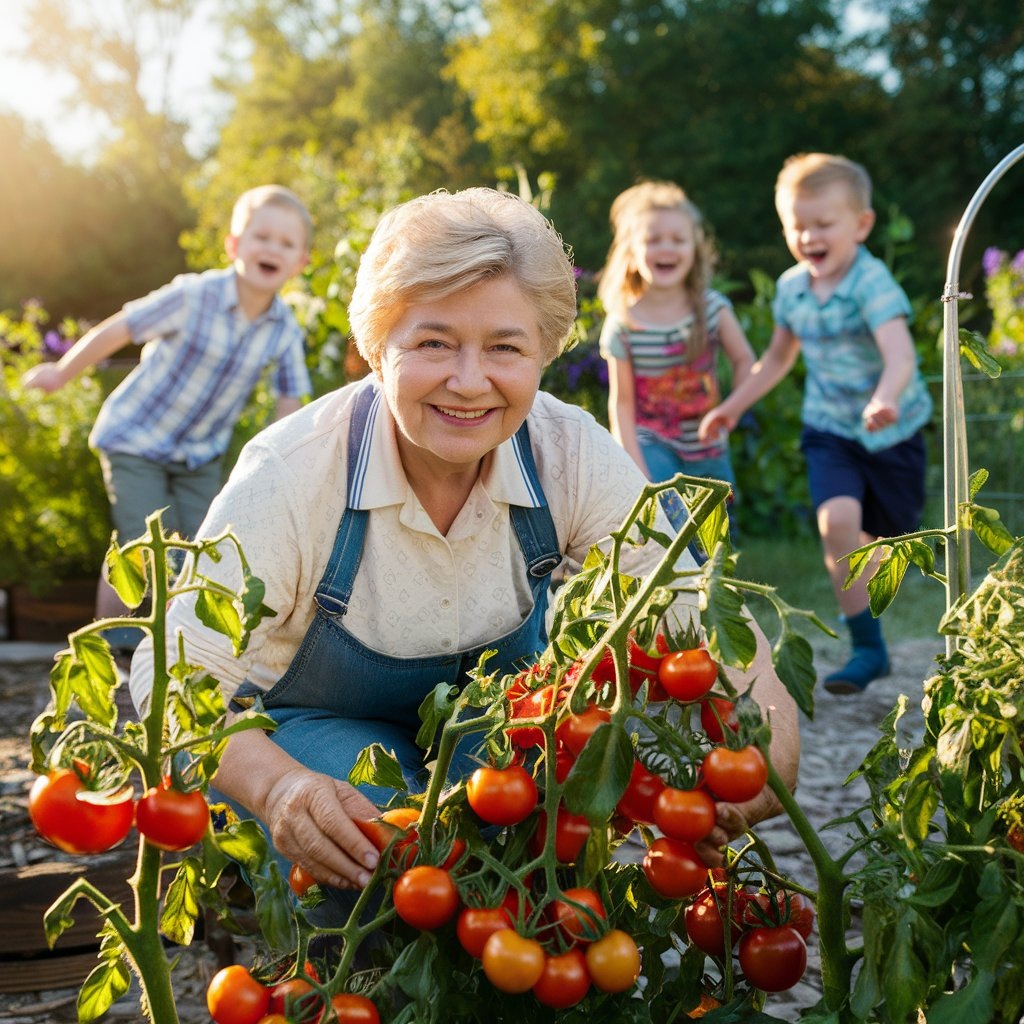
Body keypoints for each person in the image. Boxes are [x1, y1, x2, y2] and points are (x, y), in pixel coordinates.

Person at [128, 187, 799, 925]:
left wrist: (772, 738)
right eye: (434, 342)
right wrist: (279, 789)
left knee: (539, 839)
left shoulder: (566, 452)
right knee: (375, 842)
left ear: (544, 351)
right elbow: (173, 674)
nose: (470, 380)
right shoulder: (293, 475)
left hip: (492, 722)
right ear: (378, 348)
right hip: (309, 725)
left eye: (506, 347)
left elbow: (692, 606)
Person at [21, 185, 314, 652]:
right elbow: (122, 327)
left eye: (285, 243)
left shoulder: (283, 329)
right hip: (136, 439)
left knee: (201, 548)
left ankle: (180, 652)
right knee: (139, 545)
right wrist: (61, 372)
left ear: (300, 263)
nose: (271, 249)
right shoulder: (195, 295)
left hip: (198, 455)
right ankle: (110, 651)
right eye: (261, 236)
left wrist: (287, 468)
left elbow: (288, 401)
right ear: (234, 245)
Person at [699, 153, 933, 694]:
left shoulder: (872, 284)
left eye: (823, 224)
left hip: (892, 430)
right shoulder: (792, 289)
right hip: (830, 429)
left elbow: (900, 356)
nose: (808, 236)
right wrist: (733, 405)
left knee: (888, 538)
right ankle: (868, 649)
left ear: (862, 225)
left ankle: (873, 569)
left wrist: (885, 398)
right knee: (836, 524)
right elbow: (778, 359)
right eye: (796, 226)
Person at [597, 181, 755, 528]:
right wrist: (635, 468)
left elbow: (746, 361)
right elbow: (621, 405)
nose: (666, 248)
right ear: (632, 251)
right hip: (652, 442)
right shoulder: (624, 323)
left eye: (678, 239)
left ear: (695, 249)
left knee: (715, 541)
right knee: (667, 527)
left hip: (708, 444)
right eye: (653, 239)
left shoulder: (713, 309)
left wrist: (732, 410)